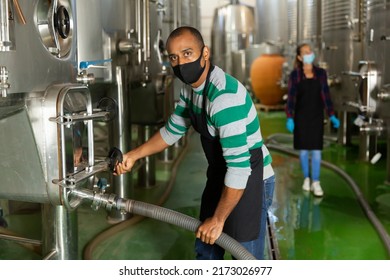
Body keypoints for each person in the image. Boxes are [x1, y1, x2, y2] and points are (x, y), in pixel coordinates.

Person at [115, 26, 274, 260]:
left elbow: (240, 169)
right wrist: (134, 155)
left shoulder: (223, 98)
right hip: (221, 174)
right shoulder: (190, 91)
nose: (180, 63)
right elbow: (171, 132)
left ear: (205, 53)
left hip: (250, 179)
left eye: (187, 53)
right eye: (173, 58)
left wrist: (218, 220)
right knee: (206, 249)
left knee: (245, 257)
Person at [285, 43, 340, 197]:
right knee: (303, 152)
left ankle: (316, 181)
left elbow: (326, 95)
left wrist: (331, 115)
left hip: (316, 117)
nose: (309, 53)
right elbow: (291, 98)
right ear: (300, 57)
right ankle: (307, 178)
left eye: (310, 51)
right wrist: (290, 117)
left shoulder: (321, 73)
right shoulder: (295, 75)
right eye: (305, 52)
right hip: (301, 117)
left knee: (316, 151)